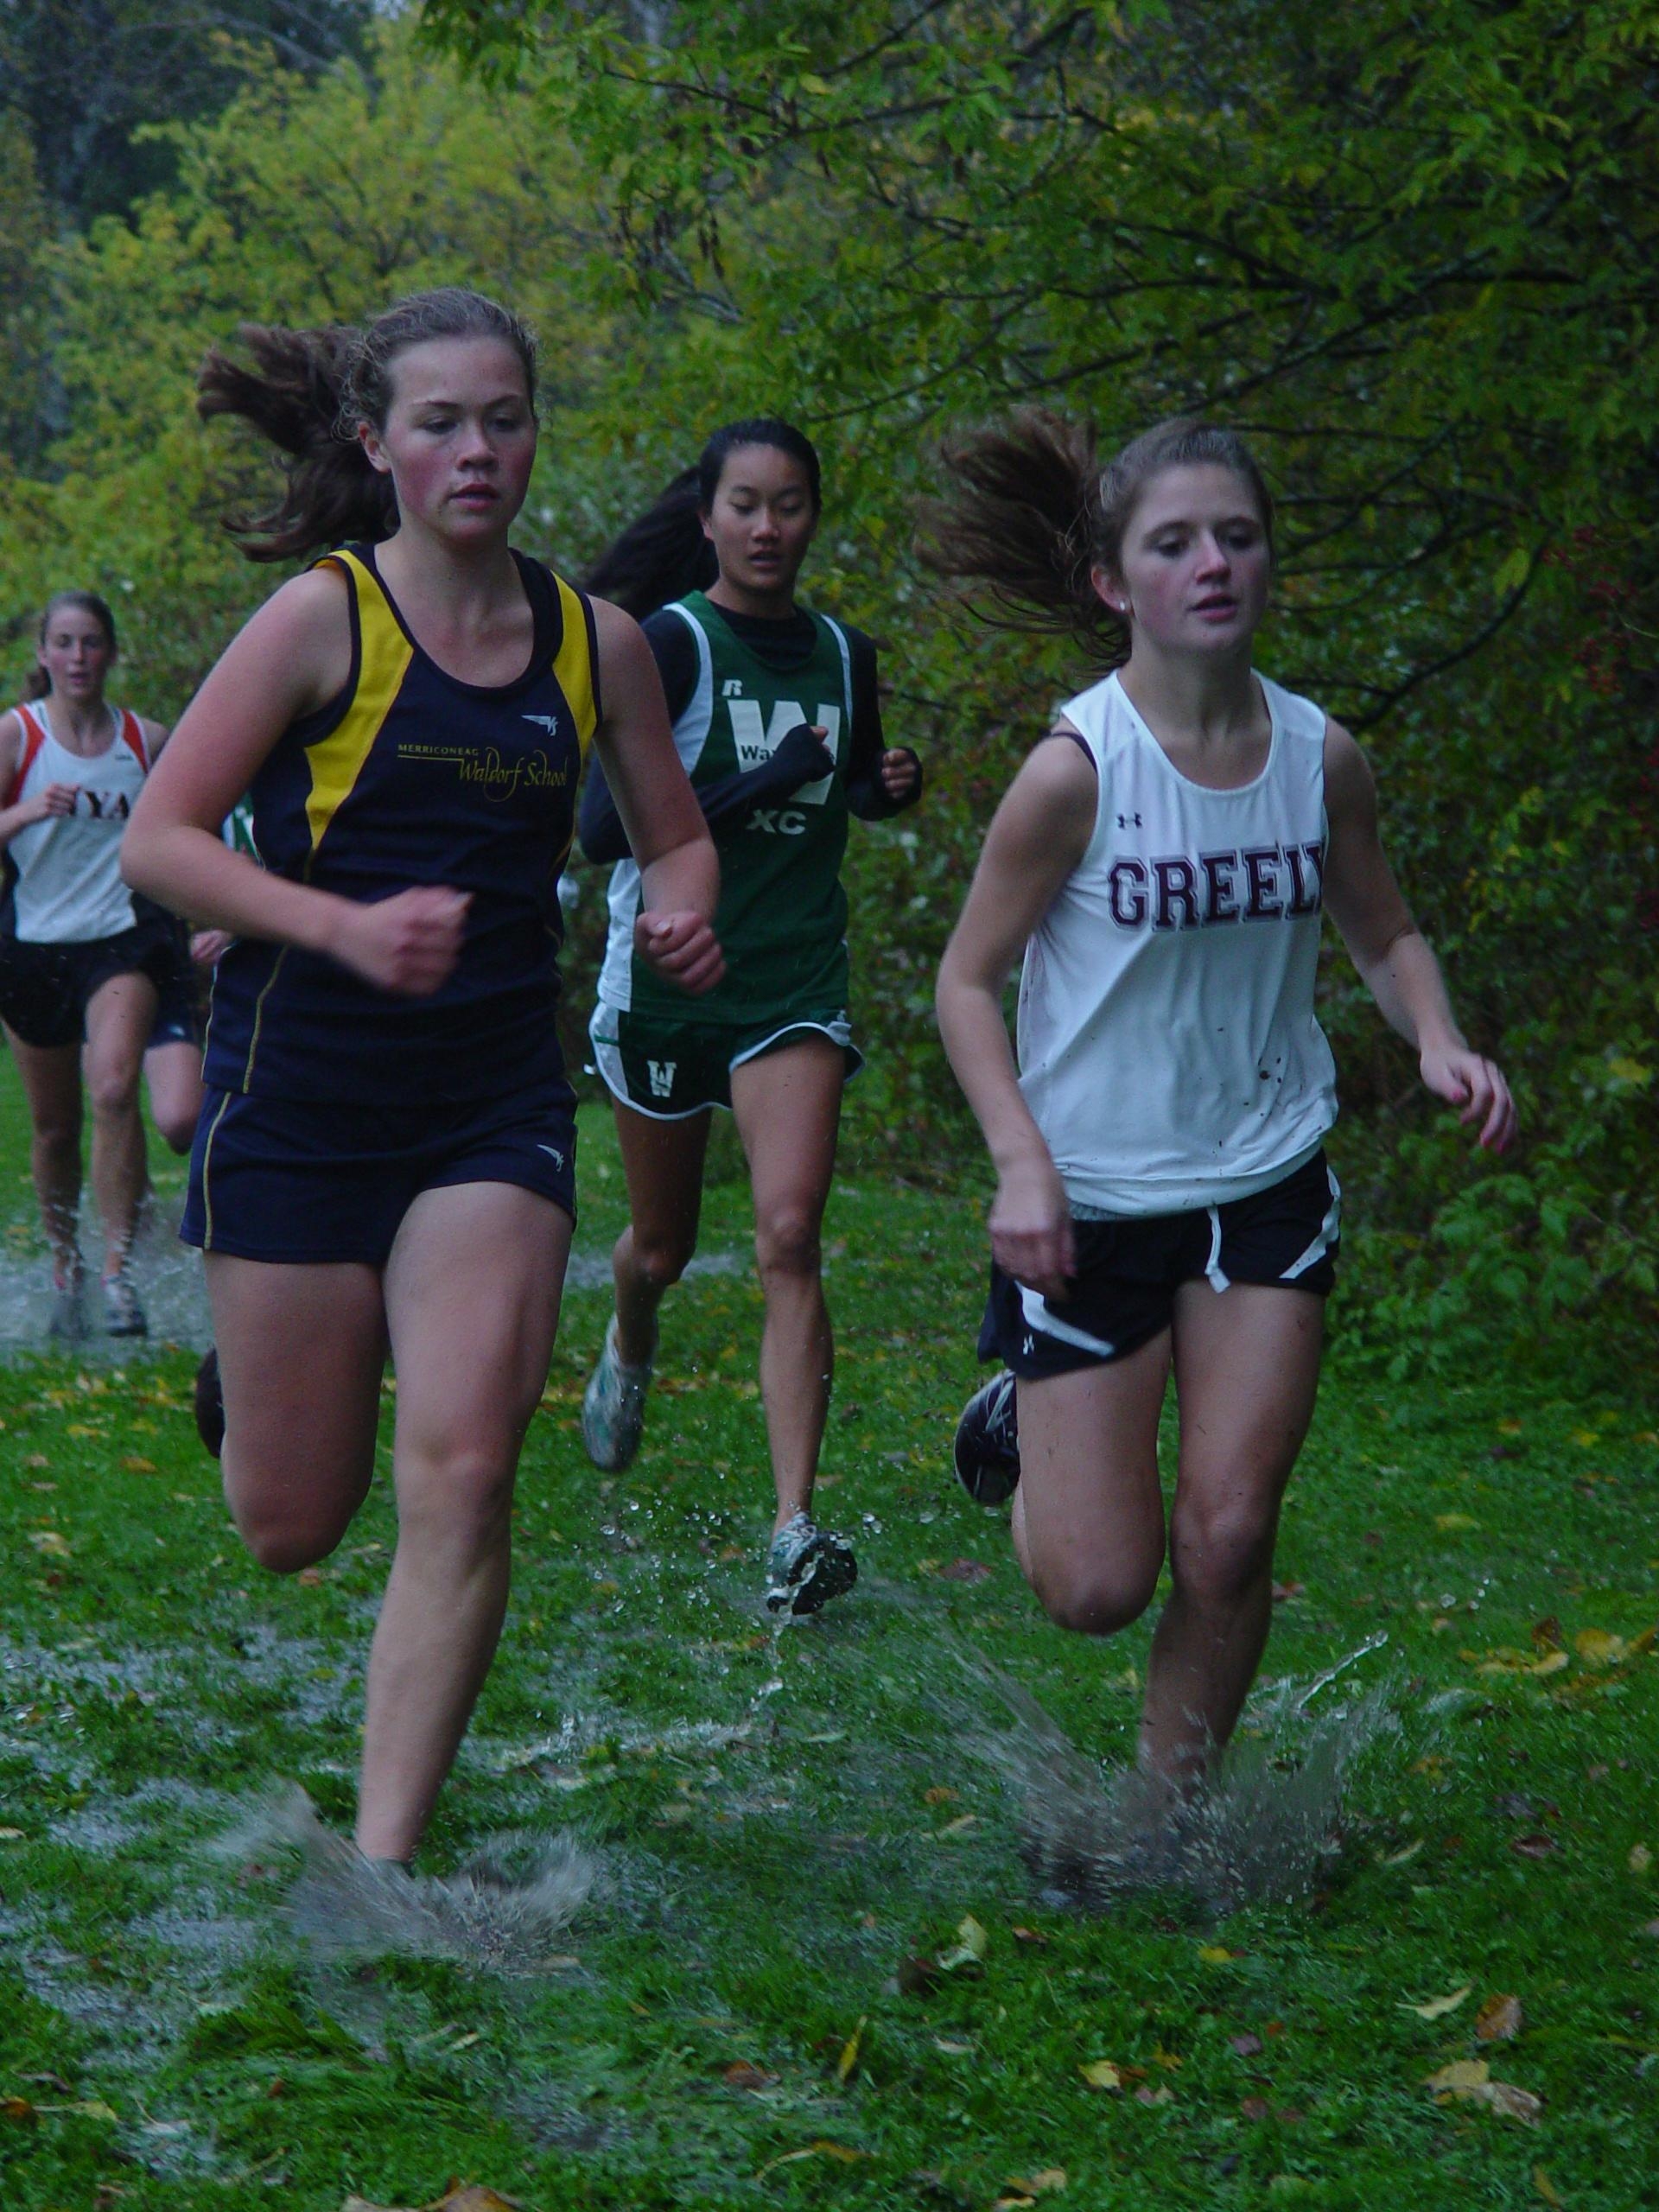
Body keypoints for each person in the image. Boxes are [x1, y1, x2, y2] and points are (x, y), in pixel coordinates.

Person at [120, 286, 722, 1866]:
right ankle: (270, 1379)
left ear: (533, 439)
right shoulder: (321, 619)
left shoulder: (597, 642)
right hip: (299, 1096)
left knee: (465, 1469)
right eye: (441, 423)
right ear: (376, 442)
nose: (477, 451)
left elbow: (673, 836)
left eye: (504, 421)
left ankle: (382, 1867)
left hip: (490, 1106)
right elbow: (159, 842)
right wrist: (337, 925)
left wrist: (683, 911)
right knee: (290, 1524)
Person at [931, 413, 1516, 1821]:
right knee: (1093, 1587)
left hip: (1264, 1181)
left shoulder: (1320, 757)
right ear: (1113, 582)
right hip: (1094, 1203)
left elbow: (1384, 933)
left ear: (1268, 563)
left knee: (1232, 1531)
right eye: (1176, 543)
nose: (1213, 564)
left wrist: (1438, 1037)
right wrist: (1020, 1164)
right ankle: (1021, 1418)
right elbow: (964, 982)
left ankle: (1165, 1822)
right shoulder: (1077, 771)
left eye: (1237, 537)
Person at [575, 421, 922, 1615]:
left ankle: (793, 1528)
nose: (768, 528)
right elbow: (603, 832)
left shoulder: (845, 654)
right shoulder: (668, 645)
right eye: (745, 505)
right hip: (668, 984)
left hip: (792, 981)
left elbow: (850, 785)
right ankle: (630, 1334)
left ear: (814, 515)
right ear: (708, 517)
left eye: (789, 505)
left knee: (788, 1234)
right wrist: (771, 777)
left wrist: (883, 787)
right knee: (661, 1248)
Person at [0, 590, 182, 1338]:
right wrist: (26, 811)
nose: (78, 658)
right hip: (33, 943)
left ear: (111, 652)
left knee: (112, 1087)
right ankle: (65, 1264)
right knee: (54, 1128)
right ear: (43, 654)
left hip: (119, 939)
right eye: (65, 643)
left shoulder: (146, 741)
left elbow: (191, 826)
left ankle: (117, 1273)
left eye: (92, 643)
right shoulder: (17, 735)